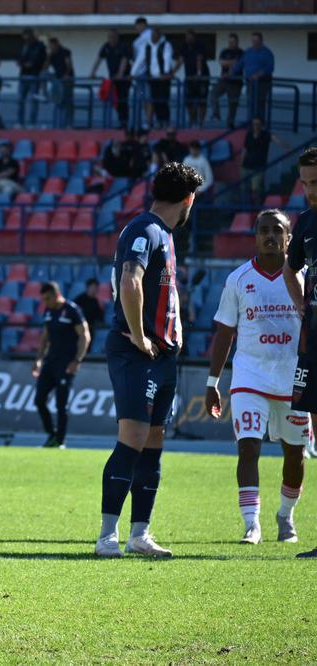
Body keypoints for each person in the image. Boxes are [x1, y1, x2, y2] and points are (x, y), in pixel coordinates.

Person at [95, 162, 203, 559]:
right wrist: (140, 335)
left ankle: (140, 534)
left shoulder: (161, 233)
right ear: (188, 199)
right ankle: (107, 535)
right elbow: (130, 280)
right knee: (134, 437)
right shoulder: (147, 229)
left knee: (154, 441)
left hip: (161, 355)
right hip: (137, 351)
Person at [207, 210, 306, 545]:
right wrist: (212, 382)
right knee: (248, 447)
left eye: (277, 230)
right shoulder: (238, 279)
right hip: (250, 376)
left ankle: (285, 516)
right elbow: (224, 333)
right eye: (263, 230)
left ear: (289, 238)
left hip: (295, 378)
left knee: (295, 453)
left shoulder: (305, 275)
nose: (270, 236)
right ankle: (252, 524)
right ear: (255, 236)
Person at [281, 148, 317, 558]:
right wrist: (299, 303)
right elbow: (292, 269)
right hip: (314, 339)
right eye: (305, 182)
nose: (309, 190)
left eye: (316, 182)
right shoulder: (306, 222)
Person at [32, 282, 90, 449]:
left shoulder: (72, 310)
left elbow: (84, 336)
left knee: (61, 404)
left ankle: (60, 441)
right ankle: (51, 434)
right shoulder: (49, 311)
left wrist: (77, 360)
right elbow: (45, 337)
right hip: (50, 362)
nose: (46, 302)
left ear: (57, 295)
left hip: (66, 364)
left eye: (48, 298)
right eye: (43, 299)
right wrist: (38, 359)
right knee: (39, 399)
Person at [131, 28, 174, 129]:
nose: (153, 38)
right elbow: (139, 60)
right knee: (154, 100)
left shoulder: (166, 45)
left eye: (155, 36)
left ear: (159, 36)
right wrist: (132, 73)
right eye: (152, 36)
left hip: (163, 79)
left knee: (163, 100)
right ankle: (158, 122)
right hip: (151, 79)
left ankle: (165, 122)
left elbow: (167, 59)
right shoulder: (147, 46)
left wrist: (166, 72)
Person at [241, 117, 288, 205]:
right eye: (254, 124)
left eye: (258, 124)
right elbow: (245, 149)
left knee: (255, 188)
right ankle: (247, 209)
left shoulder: (265, 135)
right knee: (245, 189)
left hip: (258, 166)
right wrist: (241, 163)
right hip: (246, 165)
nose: (256, 126)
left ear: (261, 125)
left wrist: (287, 148)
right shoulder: (249, 135)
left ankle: (256, 207)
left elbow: (276, 140)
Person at [91, 30, 130, 128]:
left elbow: (124, 60)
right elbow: (99, 59)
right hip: (113, 79)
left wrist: (120, 74)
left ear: (117, 37)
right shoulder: (106, 46)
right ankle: (120, 121)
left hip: (124, 78)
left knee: (122, 99)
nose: (111, 39)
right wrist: (93, 72)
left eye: (113, 37)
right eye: (109, 37)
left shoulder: (123, 46)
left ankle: (124, 122)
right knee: (114, 100)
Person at [233, 32, 274, 124]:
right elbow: (240, 64)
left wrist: (258, 74)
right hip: (250, 83)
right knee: (250, 102)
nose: (254, 42)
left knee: (259, 103)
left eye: (256, 40)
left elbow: (270, 67)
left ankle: (260, 124)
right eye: (252, 40)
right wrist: (229, 73)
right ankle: (250, 123)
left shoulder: (267, 53)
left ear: (261, 41)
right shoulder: (248, 52)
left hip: (263, 83)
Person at [176, 30, 209, 128]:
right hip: (189, 78)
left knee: (202, 101)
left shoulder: (199, 45)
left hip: (202, 78)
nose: (188, 39)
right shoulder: (184, 46)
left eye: (190, 37)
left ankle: (201, 123)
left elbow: (199, 59)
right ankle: (192, 118)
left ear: (194, 37)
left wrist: (198, 74)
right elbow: (180, 60)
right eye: (187, 37)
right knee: (188, 101)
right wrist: (171, 72)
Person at [210, 34, 244, 129]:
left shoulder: (241, 52)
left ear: (237, 42)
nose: (231, 44)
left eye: (233, 42)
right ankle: (216, 113)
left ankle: (230, 124)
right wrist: (232, 62)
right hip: (224, 80)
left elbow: (239, 65)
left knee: (233, 104)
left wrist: (229, 64)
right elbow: (221, 62)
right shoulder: (224, 51)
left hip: (236, 83)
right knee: (213, 94)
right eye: (229, 42)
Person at [16, 28, 46, 127]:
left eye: (27, 36)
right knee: (20, 100)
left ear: (32, 35)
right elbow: (19, 59)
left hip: (34, 76)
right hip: (23, 76)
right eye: (24, 36)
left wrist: (29, 64)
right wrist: (22, 63)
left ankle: (32, 123)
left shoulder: (40, 46)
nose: (26, 38)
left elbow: (38, 61)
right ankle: (20, 122)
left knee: (33, 101)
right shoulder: (24, 46)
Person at [44, 37, 74, 129]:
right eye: (50, 46)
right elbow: (45, 67)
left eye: (52, 45)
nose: (51, 47)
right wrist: (48, 56)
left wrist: (66, 75)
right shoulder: (51, 55)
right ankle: (58, 125)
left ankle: (68, 124)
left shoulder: (65, 52)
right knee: (58, 102)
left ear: (57, 44)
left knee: (67, 101)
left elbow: (69, 65)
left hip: (67, 79)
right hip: (57, 80)